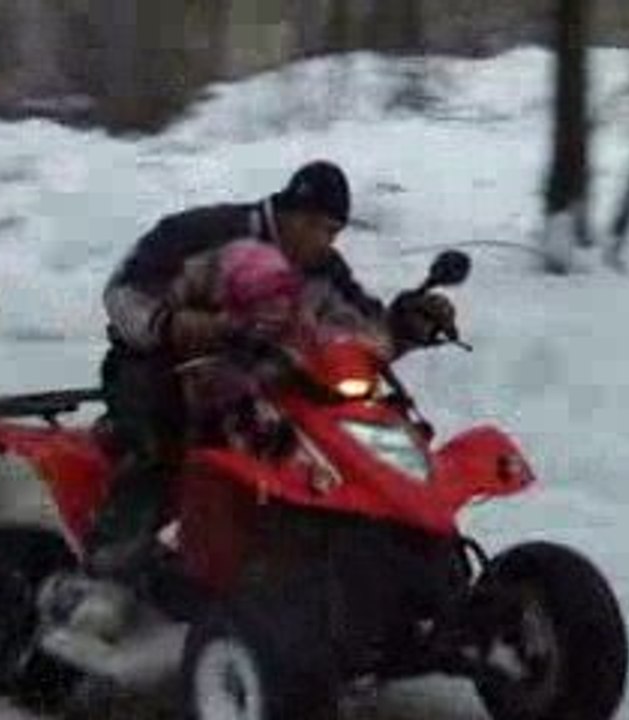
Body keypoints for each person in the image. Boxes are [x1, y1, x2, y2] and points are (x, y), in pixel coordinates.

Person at [87, 160, 457, 587]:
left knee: (336, 437)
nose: (325, 242)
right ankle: (112, 564)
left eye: (334, 232)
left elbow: (358, 327)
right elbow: (123, 289)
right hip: (160, 364)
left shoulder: (323, 268)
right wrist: (172, 324)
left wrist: (404, 326)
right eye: (318, 227)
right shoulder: (207, 233)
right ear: (290, 212)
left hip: (264, 379)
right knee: (163, 431)